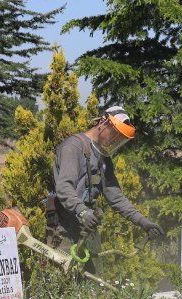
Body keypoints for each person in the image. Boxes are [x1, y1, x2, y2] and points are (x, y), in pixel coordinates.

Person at [47, 106, 164, 267]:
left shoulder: (102, 156)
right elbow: (64, 188)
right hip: (64, 229)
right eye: (115, 132)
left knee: (93, 287)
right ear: (103, 122)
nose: (116, 139)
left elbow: (115, 197)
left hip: (88, 228)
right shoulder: (73, 147)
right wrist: (83, 212)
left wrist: (142, 221)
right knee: (65, 286)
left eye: (120, 137)